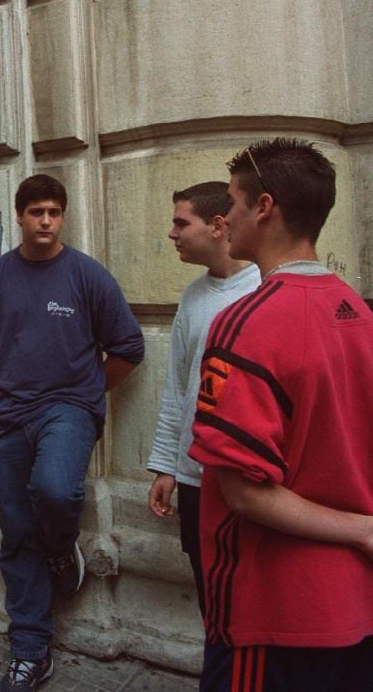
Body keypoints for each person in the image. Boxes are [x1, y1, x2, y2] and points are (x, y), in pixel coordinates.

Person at [0, 174, 144, 692]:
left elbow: (128, 346)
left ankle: (60, 548)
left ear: (63, 216)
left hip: (68, 411)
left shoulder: (87, 276)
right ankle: (30, 651)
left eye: (54, 212)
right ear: (19, 215)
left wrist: (88, 392)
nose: (46, 221)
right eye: (36, 212)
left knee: (56, 490)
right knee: (16, 533)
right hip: (8, 415)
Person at [188, 139, 373, 691]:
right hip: (357, 608)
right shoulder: (361, 313)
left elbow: (245, 491)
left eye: (233, 203)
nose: (226, 217)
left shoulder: (246, 323)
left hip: (275, 613)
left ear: (264, 208)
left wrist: (363, 530)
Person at [145, 182, 259, 616]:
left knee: (250, 596)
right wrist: (166, 466)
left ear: (216, 226)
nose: (172, 234)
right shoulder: (193, 296)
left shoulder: (263, 289)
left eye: (180, 222)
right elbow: (177, 386)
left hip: (247, 479)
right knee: (209, 596)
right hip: (194, 477)